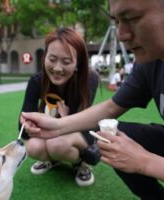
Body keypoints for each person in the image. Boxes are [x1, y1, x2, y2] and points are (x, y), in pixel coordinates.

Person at [20, 0, 164, 199]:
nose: (121, 35)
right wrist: (56, 126)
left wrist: (145, 162)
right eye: (118, 21)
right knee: (112, 137)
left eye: (132, 18)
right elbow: (112, 106)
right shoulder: (154, 57)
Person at [19, 28, 100, 187]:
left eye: (66, 62)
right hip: (52, 131)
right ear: (45, 58)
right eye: (52, 59)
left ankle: (80, 163)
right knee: (33, 147)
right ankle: (53, 160)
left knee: (57, 144)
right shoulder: (37, 81)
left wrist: (63, 119)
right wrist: (28, 125)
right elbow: (22, 127)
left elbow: (83, 125)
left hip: (82, 134)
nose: (57, 68)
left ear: (78, 63)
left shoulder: (89, 79)